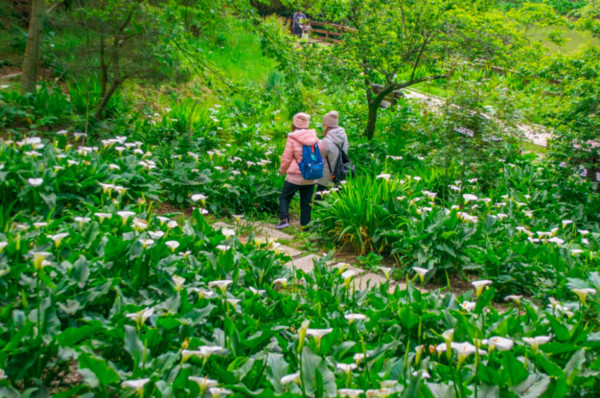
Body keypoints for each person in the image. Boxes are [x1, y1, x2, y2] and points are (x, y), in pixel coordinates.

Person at [277, 112, 318, 229]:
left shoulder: (292, 138)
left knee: (285, 197)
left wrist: (282, 170)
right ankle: (306, 226)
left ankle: (284, 220)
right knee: (306, 202)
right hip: (310, 175)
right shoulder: (313, 136)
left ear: (294, 124)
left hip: (295, 175)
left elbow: (287, 157)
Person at [315, 111, 349, 201]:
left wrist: (318, 144)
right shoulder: (343, 135)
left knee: (319, 199)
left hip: (327, 174)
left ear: (326, 125)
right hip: (340, 171)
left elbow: (319, 155)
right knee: (337, 199)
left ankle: (317, 214)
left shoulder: (327, 141)